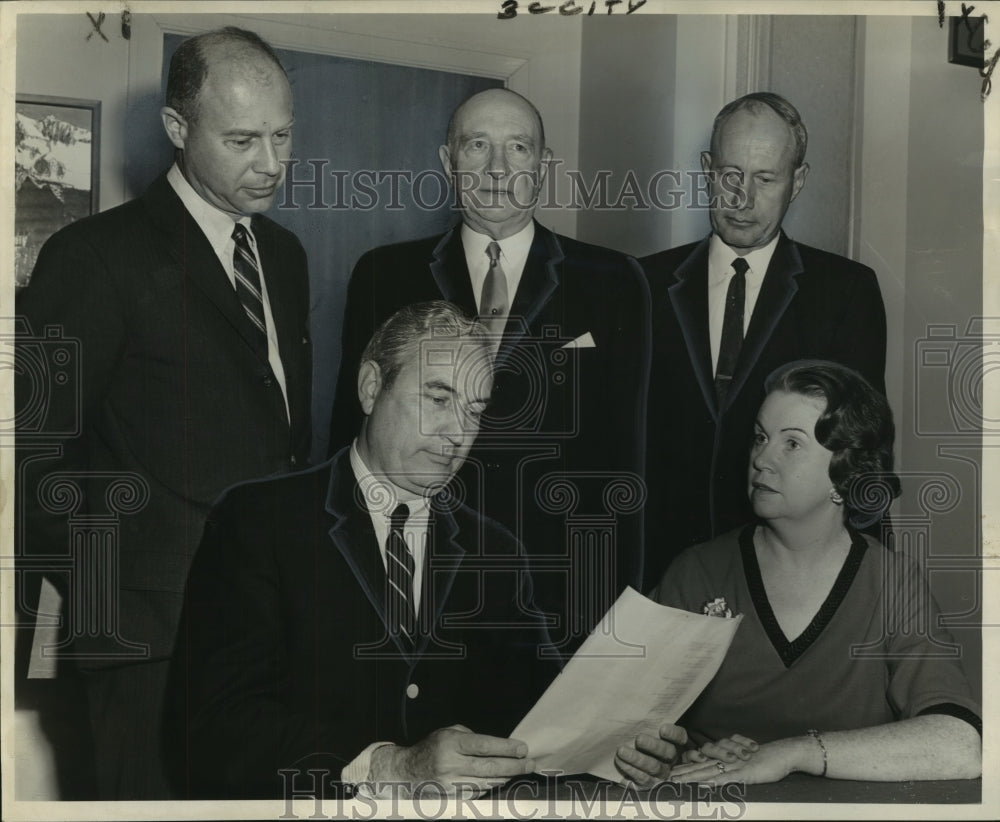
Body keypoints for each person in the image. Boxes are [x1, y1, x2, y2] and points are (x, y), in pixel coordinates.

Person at [15, 27, 311, 799]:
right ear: (178, 130)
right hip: (145, 642)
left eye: (284, 135)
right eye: (244, 139)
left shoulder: (283, 255)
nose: (273, 162)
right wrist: (114, 598)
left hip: (263, 632)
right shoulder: (91, 257)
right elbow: (35, 461)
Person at [170, 302, 558, 799]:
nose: (458, 434)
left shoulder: (497, 551)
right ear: (371, 387)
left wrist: (616, 744)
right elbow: (212, 728)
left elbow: (542, 715)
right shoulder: (258, 522)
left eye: (474, 411)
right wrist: (387, 766)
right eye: (439, 399)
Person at [327, 88, 651, 655]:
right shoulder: (384, 274)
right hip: (414, 581)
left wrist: (612, 621)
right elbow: (347, 446)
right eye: (477, 145)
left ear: (544, 165)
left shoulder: (613, 281)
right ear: (447, 161)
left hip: (556, 592)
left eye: (518, 148)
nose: (498, 168)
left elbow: (627, 462)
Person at [615, 361, 980, 787]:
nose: (761, 459)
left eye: (791, 444)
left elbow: (959, 744)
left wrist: (791, 754)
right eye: (760, 437)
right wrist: (652, 758)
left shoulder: (892, 582)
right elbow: (612, 724)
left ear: (846, 470)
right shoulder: (696, 571)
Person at [641, 92, 888, 588]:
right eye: (730, 175)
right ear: (708, 170)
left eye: (765, 178)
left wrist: (863, 590)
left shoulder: (846, 292)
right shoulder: (641, 285)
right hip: (663, 573)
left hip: (789, 578)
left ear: (797, 181)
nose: (741, 199)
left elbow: (862, 456)